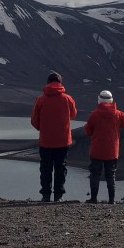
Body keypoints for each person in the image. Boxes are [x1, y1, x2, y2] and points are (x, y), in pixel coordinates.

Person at [31, 72, 77, 202]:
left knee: (45, 168)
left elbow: (34, 120)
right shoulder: (68, 99)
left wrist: (43, 128)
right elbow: (73, 114)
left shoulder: (40, 99)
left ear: (48, 83)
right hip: (63, 141)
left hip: (45, 141)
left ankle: (46, 195)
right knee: (60, 167)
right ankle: (58, 195)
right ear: (60, 83)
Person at [83, 90, 124, 204]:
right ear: (111, 100)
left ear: (99, 100)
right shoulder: (118, 114)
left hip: (97, 150)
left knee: (95, 174)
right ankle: (111, 200)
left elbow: (88, 131)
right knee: (111, 174)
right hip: (112, 151)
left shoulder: (94, 114)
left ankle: (93, 198)